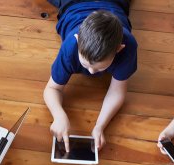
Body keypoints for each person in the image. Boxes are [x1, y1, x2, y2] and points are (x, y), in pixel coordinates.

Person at [44, 0, 137, 152]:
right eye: (86, 65)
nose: (92, 73)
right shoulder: (70, 46)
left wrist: (100, 126)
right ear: (77, 40)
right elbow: (52, 89)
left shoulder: (129, 47)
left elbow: (117, 91)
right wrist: (59, 115)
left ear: (119, 49)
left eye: (100, 67)